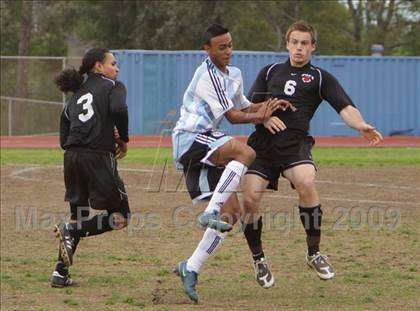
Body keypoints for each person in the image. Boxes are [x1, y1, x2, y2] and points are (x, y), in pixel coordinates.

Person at [240, 20, 383, 283]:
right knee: (249, 200)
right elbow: (247, 108)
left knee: (306, 181)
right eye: (294, 42)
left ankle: (314, 253)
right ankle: (259, 260)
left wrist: (361, 125)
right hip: (262, 145)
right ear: (287, 44)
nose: (298, 48)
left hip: (295, 144)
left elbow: (345, 107)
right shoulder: (269, 71)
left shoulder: (320, 78)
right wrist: (263, 117)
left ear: (313, 46)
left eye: (304, 43)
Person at [172, 24, 295, 302]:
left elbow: (243, 106)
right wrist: (261, 116)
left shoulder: (234, 74)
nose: (228, 51)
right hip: (191, 138)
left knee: (232, 214)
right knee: (246, 153)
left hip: (208, 142)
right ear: (207, 49)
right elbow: (233, 117)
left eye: (230, 45)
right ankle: (211, 210)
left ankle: (190, 268)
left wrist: (270, 105)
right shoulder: (207, 74)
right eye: (221, 47)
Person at [50, 48, 130, 287]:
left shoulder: (74, 98)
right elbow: (118, 109)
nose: (117, 68)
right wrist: (122, 139)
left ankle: (60, 272)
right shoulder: (114, 86)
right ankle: (71, 232)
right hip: (97, 158)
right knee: (121, 217)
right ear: (98, 66)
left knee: (79, 216)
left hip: (72, 157)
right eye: (113, 63)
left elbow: (64, 139)